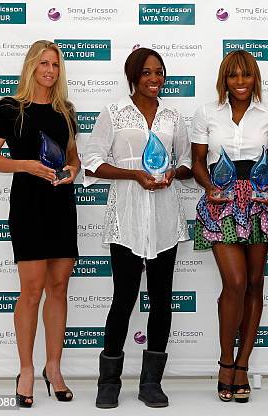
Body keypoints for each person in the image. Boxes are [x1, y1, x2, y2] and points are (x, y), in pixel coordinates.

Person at [82, 47, 192, 408]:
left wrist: (174, 172)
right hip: (126, 220)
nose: (154, 79)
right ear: (133, 76)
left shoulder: (174, 116)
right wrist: (134, 175)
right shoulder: (113, 113)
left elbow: (188, 161)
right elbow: (93, 162)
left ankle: (151, 384)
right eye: (146, 73)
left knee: (162, 302)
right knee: (124, 299)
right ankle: (108, 384)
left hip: (164, 219)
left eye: (159, 72)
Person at [0, 40, 79, 407]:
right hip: (28, 205)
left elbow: (74, 158)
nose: (50, 71)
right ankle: (26, 369)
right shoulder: (10, 109)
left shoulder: (65, 110)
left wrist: (71, 171)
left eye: (55, 65)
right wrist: (24, 165)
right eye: (43, 64)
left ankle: (53, 369)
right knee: (32, 290)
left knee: (59, 287)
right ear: (31, 67)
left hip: (60, 204)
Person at [191, 50, 268, 403]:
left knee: (254, 283)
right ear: (224, 80)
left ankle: (243, 364)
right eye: (233, 76)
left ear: (255, 78)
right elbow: (198, 161)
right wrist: (210, 188)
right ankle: (224, 361)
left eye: (246, 75)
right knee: (233, 282)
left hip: (260, 201)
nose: (241, 82)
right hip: (222, 202)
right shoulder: (206, 113)